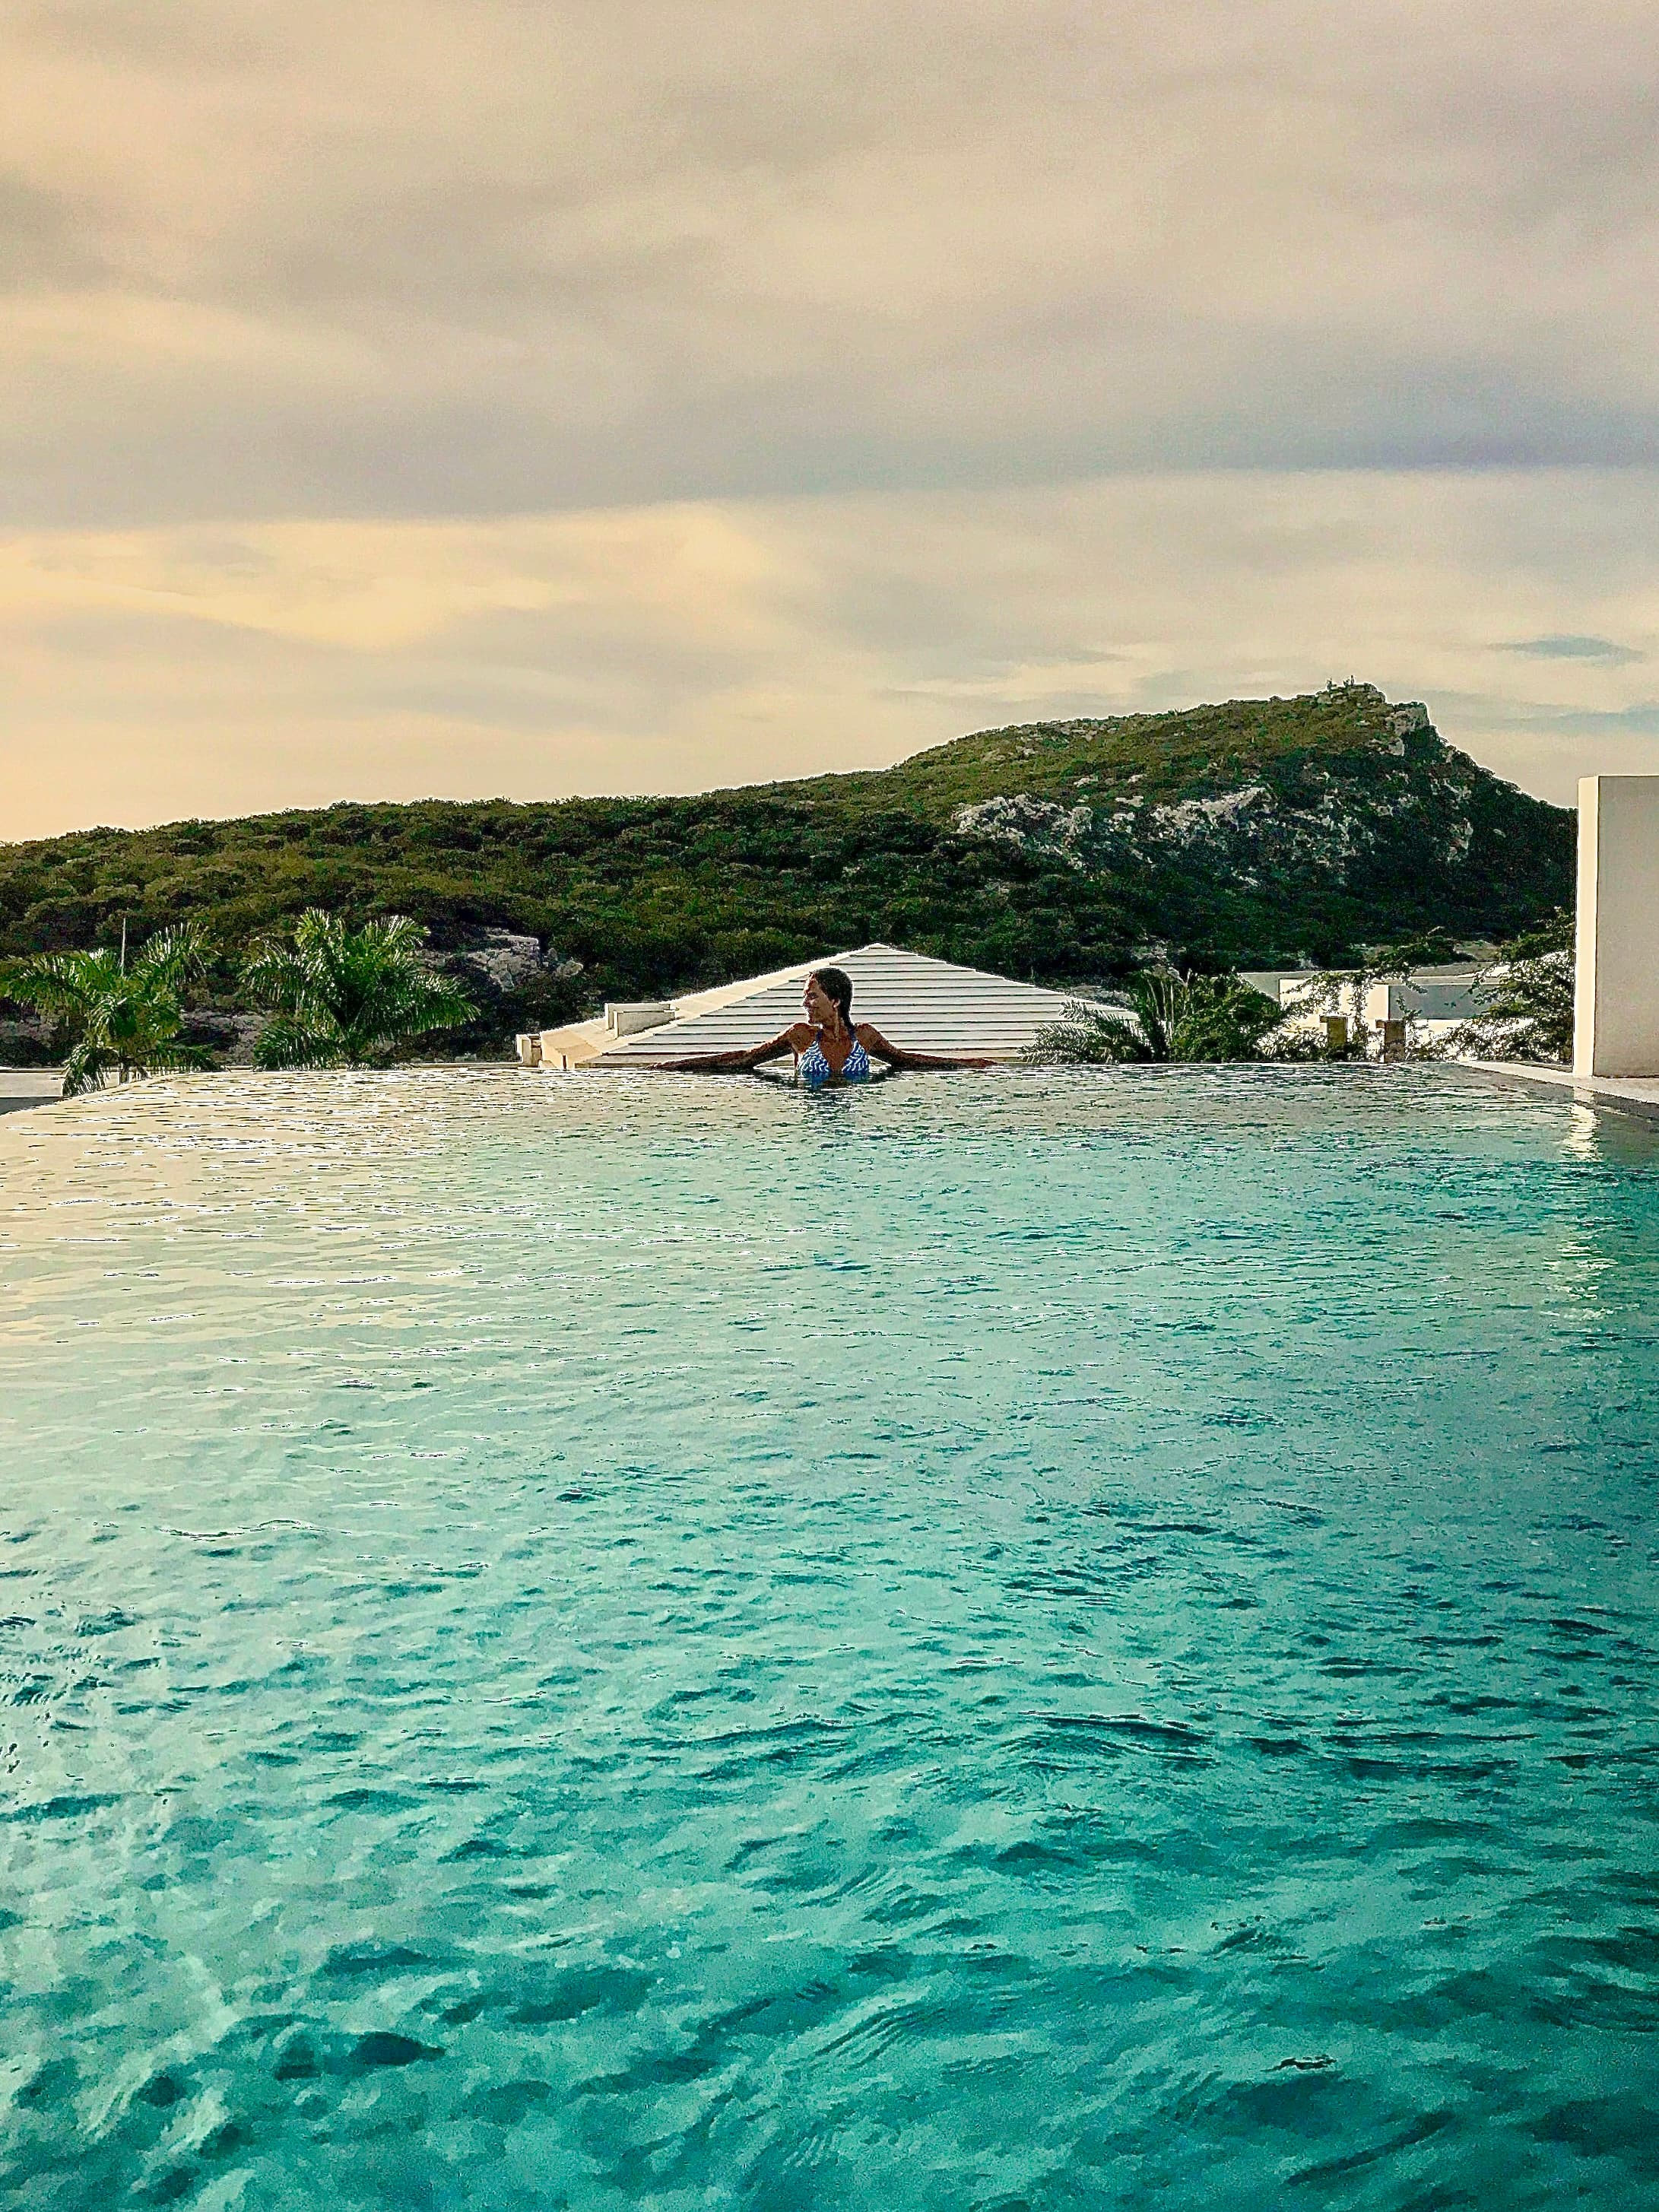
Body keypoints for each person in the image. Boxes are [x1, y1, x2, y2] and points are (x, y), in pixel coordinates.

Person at [659, 967, 994, 1085]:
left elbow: (907, 1061)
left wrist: (967, 1065)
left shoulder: (865, 1036)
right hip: (812, 1121)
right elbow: (746, 1060)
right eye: (805, 997)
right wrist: (680, 1066)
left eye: (812, 997)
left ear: (835, 1001)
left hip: (851, 1124)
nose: (806, 1003)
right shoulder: (800, 1035)